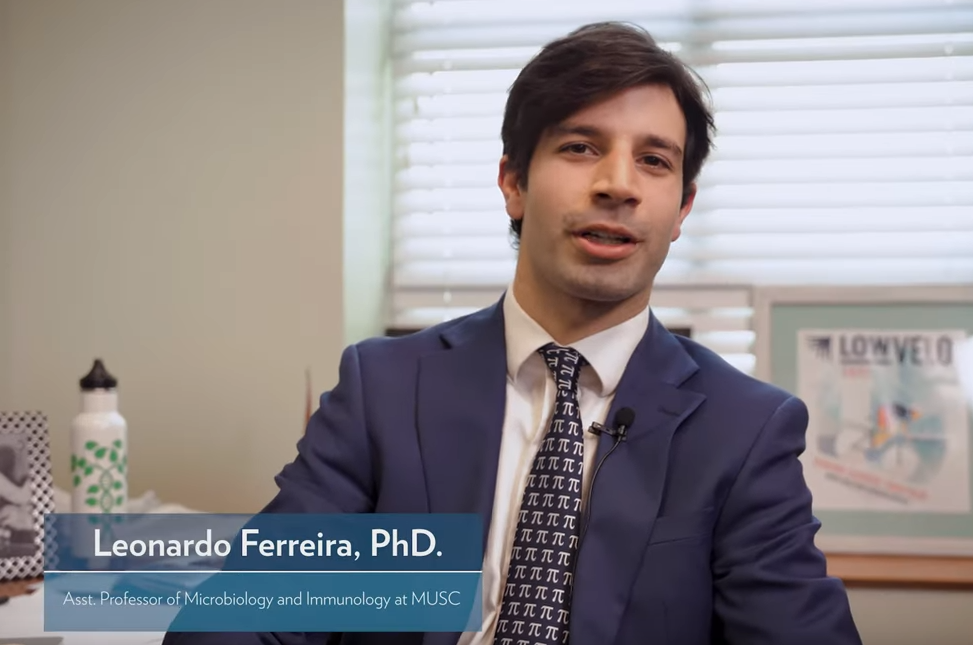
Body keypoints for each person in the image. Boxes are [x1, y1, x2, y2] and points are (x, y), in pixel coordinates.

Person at [164, 21, 861, 645]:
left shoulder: (744, 429)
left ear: (681, 209)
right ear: (513, 183)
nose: (618, 184)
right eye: (581, 147)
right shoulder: (386, 390)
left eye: (654, 160)